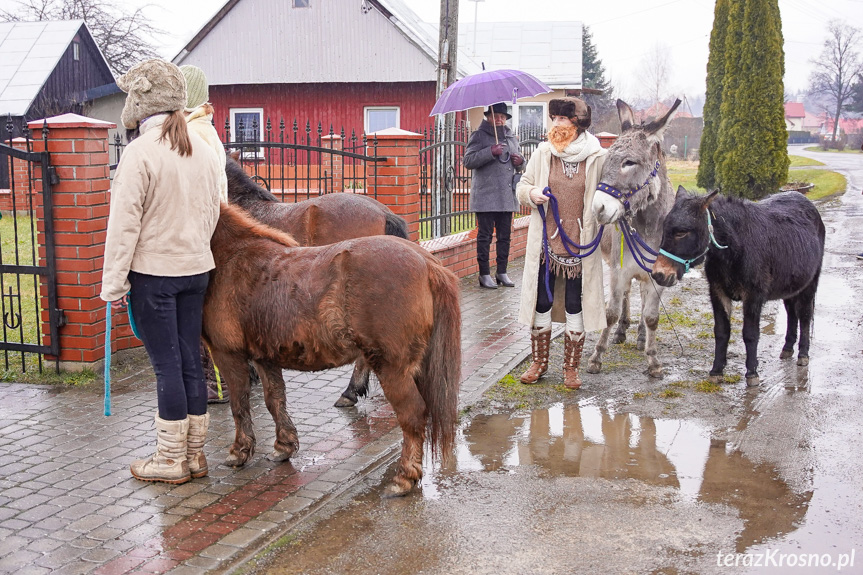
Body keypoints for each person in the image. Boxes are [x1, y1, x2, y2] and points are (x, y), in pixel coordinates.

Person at [100, 59, 222, 484]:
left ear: (141, 102)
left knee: (166, 366)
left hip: (154, 275)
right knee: (189, 360)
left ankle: (169, 461)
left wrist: (113, 283)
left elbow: (124, 223)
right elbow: (213, 212)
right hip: (196, 271)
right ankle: (194, 456)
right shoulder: (203, 150)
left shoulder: (140, 152)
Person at [515, 97, 608, 389]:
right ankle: (539, 363)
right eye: (553, 118)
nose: (556, 124)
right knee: (542, 301)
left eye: (562, 119)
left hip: (580, 245)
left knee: (573, 304)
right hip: (546, 242)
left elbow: (608, 194)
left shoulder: (597, 156)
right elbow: (522, 185)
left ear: (577, 124)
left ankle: (571, 369)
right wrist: (531, 194)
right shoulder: (544, 153)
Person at [179, 64, 231, 404]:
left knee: (202, 318)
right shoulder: (205, 129)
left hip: (202, 235)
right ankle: (222, 382)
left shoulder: (193, 134)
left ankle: (214, 385)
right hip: (213, 231)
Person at [463, 102, 525, 289]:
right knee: (485, 236)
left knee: (505, 236)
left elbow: (520, 164)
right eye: (495, 116)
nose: (499, 119)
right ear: (488, 117)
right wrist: (490, 151)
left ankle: (502, 272)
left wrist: (520, 161)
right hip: (486, 196)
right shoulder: (479, 136)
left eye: (502, 116)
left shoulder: (511, 137)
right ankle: (484, 274)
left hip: (506, 195)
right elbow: (468, 161)